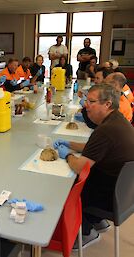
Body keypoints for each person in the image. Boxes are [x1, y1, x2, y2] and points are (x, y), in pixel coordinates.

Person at [54, 83, 134, 249]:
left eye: (91, 101)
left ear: (107, 104)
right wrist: (69, 143)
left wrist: (67, 155)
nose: (85, 105)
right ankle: (97, 221)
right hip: (125, 193)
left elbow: (80, 167)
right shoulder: (116, 121)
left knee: (64, 185)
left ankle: (86, 231)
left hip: (109, 197)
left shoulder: (106, 130)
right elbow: (94, 148)